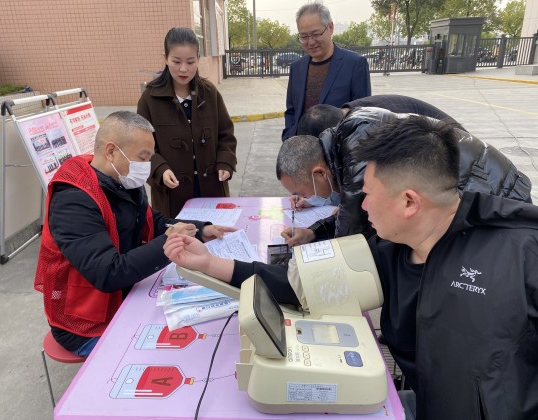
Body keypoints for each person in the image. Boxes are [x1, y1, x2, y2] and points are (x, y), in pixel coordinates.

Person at [165, 115, 538, 419]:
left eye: (369, 195)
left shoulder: (522, 254)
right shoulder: (389, 250)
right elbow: (299, 284)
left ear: (409, 202)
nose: (362, 206)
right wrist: (210, 262)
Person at [34, 111, 234, 357]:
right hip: (85, 323)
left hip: (126, 291)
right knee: (170, 352)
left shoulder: (121, 179)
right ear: (111, 151)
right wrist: (169, 242)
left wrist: (199, 229)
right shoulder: (74, 200)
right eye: (143, 157)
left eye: (150, 157)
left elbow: (149, 220)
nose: (147, 166)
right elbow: (107, 273)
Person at [279, 106, 532, 246]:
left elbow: (355, 221)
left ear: (319, 173)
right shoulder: (344, 140)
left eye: (303, 192)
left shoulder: (356, 139)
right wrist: (313, 232)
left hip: (495, 193)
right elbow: (356, 209)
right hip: (477, 190)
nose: (305, 198)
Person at [138, 27, 237, 217]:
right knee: (177, 234)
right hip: (172, 194)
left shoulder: (209, 93)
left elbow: (226, 135)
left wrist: (225, 162)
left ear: (198, 59)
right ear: (165, 58)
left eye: (190, 62)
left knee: (213, 231)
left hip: (212, 189)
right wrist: (160, 169)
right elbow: (142, 147)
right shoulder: (150, 98)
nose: (184, 69)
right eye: (176, 61)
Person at [281, 1, 371, 141]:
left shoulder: (355, 64)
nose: (311, 42)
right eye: (304, 36)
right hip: (303, 148)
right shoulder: (297, 67)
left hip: (337, 148)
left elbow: (363, 113)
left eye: (316, 34)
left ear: (330, 27)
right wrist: (289, 137)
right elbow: (292, 111)